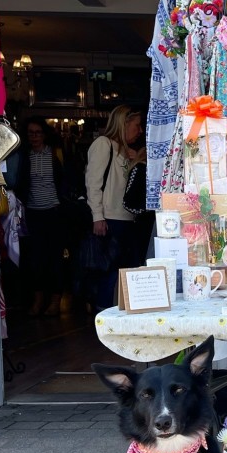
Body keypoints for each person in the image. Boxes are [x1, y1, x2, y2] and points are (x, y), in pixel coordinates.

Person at [84, 105, 146, 311]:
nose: (140, 131)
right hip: (110, 219)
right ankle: (103, 312)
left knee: (125, 270)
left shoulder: (125, 151)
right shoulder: (103, 144)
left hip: (127, 219)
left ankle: (118, 312)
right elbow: (93, 182)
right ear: (124, 123)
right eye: (136, 125)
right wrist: (97, 216)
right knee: (109, 271)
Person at [12, 117, 73, 317]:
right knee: (35, 258)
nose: (34, 136)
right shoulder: (23, 156)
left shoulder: (56, 154)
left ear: (45, 134)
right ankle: (38, 299)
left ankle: (55, 300)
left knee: (55, 257)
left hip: (54, 212)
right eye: (31, 133)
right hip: (32, 213)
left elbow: (66, 180)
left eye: (38, 132)